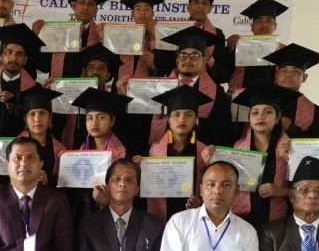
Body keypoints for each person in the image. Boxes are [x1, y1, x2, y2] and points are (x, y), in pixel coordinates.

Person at [223, 81, 299, 227]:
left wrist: (282, 191)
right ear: (249, 119)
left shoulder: (292, 149)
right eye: (255, 113)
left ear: (278, 118)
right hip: (243, 221)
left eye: (268, 112)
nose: (261, 117)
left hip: (280, 221)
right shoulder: (237, 148)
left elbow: (308, 190)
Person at [134, 85, 213, 221]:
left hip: (192, 218)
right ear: (168, 118)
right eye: (176, 114)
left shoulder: (204, 152)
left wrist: (201, 203)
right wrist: (138, 171)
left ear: (196, 119)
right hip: (160, 218)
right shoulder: (151, 151)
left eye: (188, 115)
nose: (182, 119)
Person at [159, 26, 233, 146]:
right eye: (183, 55)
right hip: (164, 151)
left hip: (201, 151)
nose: (188, 60)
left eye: (194, 56)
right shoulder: (159, 87)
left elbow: (223, 130)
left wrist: (198, 123)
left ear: (204, 59)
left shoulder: (216, 92)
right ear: (177, 59)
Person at [65, 87, 131, 218]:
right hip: (82, 215)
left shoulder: (124, 156)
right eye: (89, 118)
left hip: (113, 216)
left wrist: (108, 199)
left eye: (101, 117)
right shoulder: (77, 154)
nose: (94, 122)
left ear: (112, 121)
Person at [155, 0, 231, 84]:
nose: (200, 6)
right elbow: (162, 69)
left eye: (204, 3)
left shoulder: (217, 35)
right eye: (195, 2)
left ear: (210, 8)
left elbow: (224, 75)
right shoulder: (173, 31)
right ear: (188, 7)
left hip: (209, 89)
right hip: (177, 88)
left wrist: (209, 59)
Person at [33, 0, 108, 78]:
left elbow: (107, 73)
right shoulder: (55, 31)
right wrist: (36, 37)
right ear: (74, 6)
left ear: (96, 10)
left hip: (90, 87)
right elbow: (43, 67)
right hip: (58, 85)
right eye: (82, 2)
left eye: (91, 4)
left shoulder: (102, 35)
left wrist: (105, 42)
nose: (85, 7)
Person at [0, 23, 43, 136]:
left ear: (25, 60)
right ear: (1, 56)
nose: (14, 58)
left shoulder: (34, 90)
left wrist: (15, 106)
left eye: (19, 54)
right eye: (9, 52)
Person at [263, 43, 319, 139]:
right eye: (284, 70)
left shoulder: (317, 113)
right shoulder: (259, 105)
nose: (288, 74)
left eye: (296, 71)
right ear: (276, 75)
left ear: (304, 77)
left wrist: (292, 129)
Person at [227, 0, 288, 90]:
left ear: (275, 26)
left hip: (272, 97)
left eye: (269, 20)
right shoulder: (239, 47)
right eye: (259, 20)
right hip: (239, 95)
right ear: (252, 27)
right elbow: (224, 73)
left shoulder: (284, 50)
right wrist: (229, 49)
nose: (264, 24)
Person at [17, 86, 65, 186]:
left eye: (42, 113)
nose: (37, 119)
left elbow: (64, 183)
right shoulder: (15, 147)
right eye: (32, 114)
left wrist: (48, 181)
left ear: (50, 117)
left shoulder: (60, 150)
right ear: (25, 119)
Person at [117, 0, 163, 80]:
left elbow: (166, 70)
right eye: (138, 9)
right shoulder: (121, 35)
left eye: (147, 9)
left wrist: (152, 66)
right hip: (120, 85)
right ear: (132, 14)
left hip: (149, 87)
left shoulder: (161, 38)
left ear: (153, 14)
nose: (142, 13)